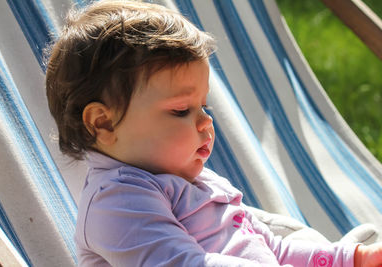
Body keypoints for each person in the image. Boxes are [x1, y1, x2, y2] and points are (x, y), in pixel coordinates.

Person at [45, 0, 382, 266]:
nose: (206, 122)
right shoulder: (117, 202)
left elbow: (269, 248)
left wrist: (349, 259)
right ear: (103, 123)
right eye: (181, 110)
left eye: (204, 107)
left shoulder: (201, 184)